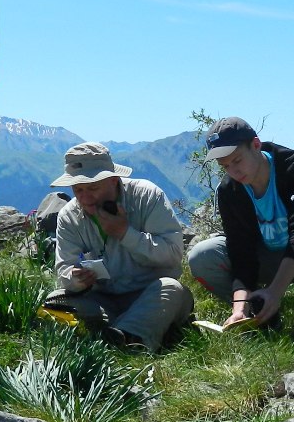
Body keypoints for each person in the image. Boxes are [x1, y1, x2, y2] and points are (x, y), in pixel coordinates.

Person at [187, 117, 294, 333]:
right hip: (266, 258)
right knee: (202, 255)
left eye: (237, 160)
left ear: (255, 145)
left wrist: (275, 292)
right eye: (225, 166)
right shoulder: (229, 191)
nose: (233, 171)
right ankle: (260, 318)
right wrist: (239, 307)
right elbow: (240, 252)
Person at [46, 142, 193, 351]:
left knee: (173, 289)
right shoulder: (69, 216)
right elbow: (64, 271)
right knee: (55, 300)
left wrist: (125, 233)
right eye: (78, 189)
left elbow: (172, 255)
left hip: (149, 295)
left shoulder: (147, 196)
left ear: (114, 180)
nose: (85, 197)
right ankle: (128, 332)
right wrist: (76, 279)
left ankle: (125, 340)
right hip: (102, 300)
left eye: (93, 188)